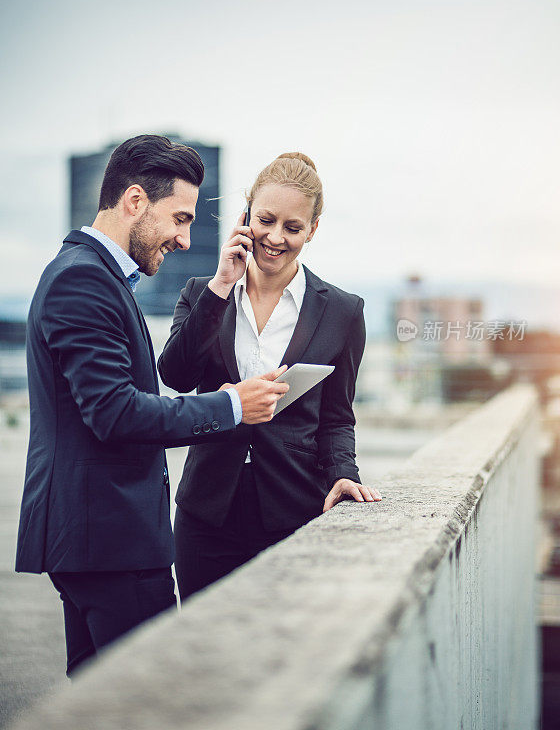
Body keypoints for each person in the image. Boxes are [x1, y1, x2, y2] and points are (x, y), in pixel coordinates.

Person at [15, 134, 289, 676]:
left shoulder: (95, 275)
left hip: (96, 538)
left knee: (100, 704)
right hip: (109, 541)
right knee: (150, 699)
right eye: (180, 218)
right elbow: (116, 414)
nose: (186, 239)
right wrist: (230, 406)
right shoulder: (83, 281)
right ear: (135, 201)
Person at [158, 152, 381, 601]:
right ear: (245, 216)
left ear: (312, 229)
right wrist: (222, 285)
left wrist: (344, 472)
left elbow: (337, 416)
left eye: (293, 227)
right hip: (206, 513)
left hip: (294, 509)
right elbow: (177, 377)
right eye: (265, 220)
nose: (275, 238)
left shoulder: (341, 311)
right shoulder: (204, 293)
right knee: (203, 647)